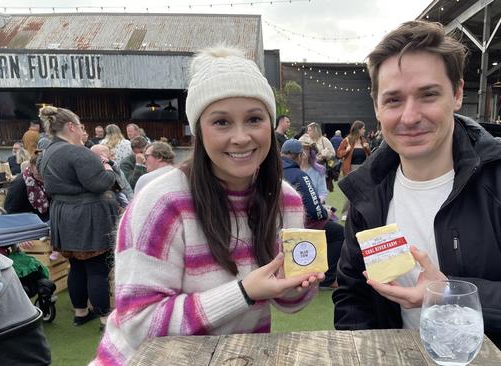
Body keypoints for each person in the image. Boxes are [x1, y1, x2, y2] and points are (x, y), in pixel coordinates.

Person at [331, 20, 501, 366]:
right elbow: (353, 298)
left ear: (457, 93)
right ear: (376, 107)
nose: (410, 116)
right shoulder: (367, 192)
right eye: (394, 100)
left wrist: (449, 294)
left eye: (428, 94)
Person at [91, 46, 324, 366]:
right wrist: (244, 292)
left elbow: (289, 303)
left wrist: (297, 285)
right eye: (222, 122)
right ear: (199, 130)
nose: (241, 137)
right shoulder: (162, 202)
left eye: (254, 119)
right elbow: (138, 324)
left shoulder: (286, 201)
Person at [38, 106, 119, 332]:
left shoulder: (46, 153)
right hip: (87, 217)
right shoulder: (78, 152)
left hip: (63, 215)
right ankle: (105, 319)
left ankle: (81, 313)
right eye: (81, 126)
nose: (83, 131)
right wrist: (107, 167)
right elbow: (100, 183)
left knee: (77, 266)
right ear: (71, 127)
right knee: (96, 269)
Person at [280, 139, 343, 288]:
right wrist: (325, 213)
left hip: (273, 224)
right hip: (297, 226)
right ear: (300, 156)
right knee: (339, 233)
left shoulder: (267, 171)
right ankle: (328, 278)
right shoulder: (300, 176)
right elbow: (315, 211)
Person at [3, 152, 50, 221]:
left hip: (43, 218)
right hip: (25, 222)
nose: (42, 173)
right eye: (38, 169)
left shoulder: (47, 179)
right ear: (31, 167)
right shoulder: (19, 184)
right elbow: (10, 211)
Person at [298, 134, 329, 203]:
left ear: (310, 152)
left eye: (306, 149)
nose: (303, 151)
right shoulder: (293, 169)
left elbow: (322, 193)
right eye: (301, 148)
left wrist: (317, 203)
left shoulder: (319, 170)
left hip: (314, 207)